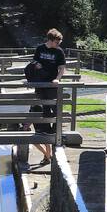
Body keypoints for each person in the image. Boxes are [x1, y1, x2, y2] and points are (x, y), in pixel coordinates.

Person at [27, 28, 66, 167]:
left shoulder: (59, 52)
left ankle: (55, 132)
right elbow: (34, 62)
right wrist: (36, 65)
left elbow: (62, 68)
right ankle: (44, 140)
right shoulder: (40, 49)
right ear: (50, 40)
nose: (58, 44)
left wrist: (57, 79)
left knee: (53, 108)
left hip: (51, 84)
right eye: (57, 42)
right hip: (40, 84)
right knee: (40, 108)